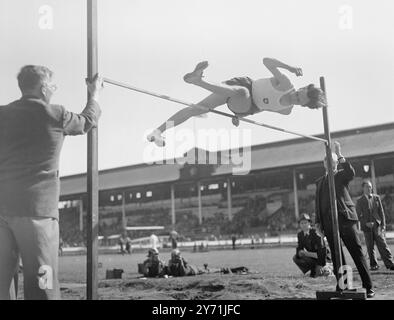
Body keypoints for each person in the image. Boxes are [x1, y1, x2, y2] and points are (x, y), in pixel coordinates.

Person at [0, 65, 103, 300]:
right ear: (44, 87)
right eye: (53, 86)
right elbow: (87, 120)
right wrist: (94, 94)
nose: (54, 90)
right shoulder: (55, 114)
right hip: (37, 212)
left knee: (2, 280)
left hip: (2, 209)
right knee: (42, 277)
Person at [147, 58, 326, 146]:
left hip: (246, 105)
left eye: (299, 101)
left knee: (241, 93)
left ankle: (199, 81)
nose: (295, 98)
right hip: (241, 84)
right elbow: (266, 61)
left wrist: (239, 116)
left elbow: (263, 107)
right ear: (301, 88)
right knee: (196, 109)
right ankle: (157, 132)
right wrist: (290, 67)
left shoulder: (286, 110)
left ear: (302, 105)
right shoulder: (286, 82)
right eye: (298, 94)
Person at [315, 141, 375, 298]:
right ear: (324, 164)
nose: (330, 163)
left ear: (336, 164)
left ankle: (368, 287)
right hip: (328, 225)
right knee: (337, 257)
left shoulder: (341, 175)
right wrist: (318, 222)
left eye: (332, 161)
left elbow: (351, 172)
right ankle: (344, 285)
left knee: (357, 253)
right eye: (327, 161)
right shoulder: (320, 182)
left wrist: (339, 153)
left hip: (345, 220)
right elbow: (318, 204)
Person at [356, 181, 394, 271]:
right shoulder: (360, 201)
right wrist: (365, 223)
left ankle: (390, 263)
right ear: (363, 188)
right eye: (367, 187)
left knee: (383, 245)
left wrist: (383, 225)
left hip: (377, 226)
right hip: (367, 228)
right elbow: (358, 215)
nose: (369, 189)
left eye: (370, 187)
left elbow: (381, 212)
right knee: (370, 247)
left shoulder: (377, 198)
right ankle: (373, 265)